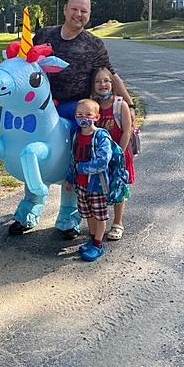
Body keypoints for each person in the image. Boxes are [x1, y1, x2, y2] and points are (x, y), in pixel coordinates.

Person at [33, 0, 134, 121]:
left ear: (89, 14)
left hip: (76, 109)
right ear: (65, 9)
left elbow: (111, 74)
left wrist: (130, 105)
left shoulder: (94, 44)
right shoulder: (43, 35)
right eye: (74, 9)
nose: (78, 14)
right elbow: (26, 63)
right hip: (40, 103)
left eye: (84, 11)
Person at [64, 99, 114, 261]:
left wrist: (83, 168)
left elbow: (103, 161)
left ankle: (98, 245)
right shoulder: (76, 136)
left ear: (97, 117)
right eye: (79, 114)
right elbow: (73, 159)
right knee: (88, 214)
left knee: (99, 216)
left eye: (88, 114)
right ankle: (93, 240)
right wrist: (70, 179)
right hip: (81, 185)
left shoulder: (101, 136)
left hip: (97, 186)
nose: (83, 118)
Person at [92, 66, 135, 241]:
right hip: (100, 157)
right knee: (100, 188)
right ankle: (99, 222)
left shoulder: (120, 104)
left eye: (106, 81)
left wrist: (118, 153)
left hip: (119, 154)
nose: (102, 84)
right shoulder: (93, 105)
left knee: (118, 187)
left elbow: (127, 130)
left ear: (112, 83)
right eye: (98, 81)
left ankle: (118, 223)